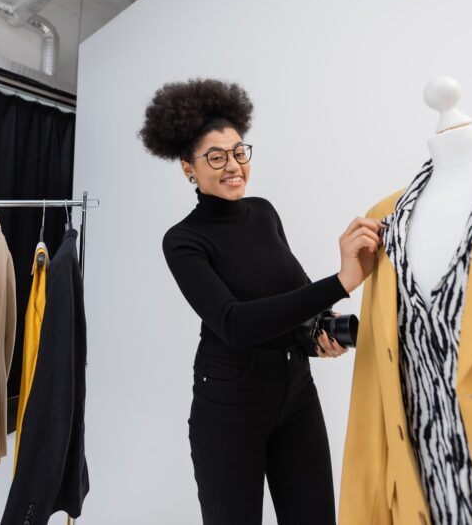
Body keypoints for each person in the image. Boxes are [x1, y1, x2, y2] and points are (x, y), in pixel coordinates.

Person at [139, 78, 382, 525]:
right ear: (187, 167)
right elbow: (235, 324)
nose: (233, 166)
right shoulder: (183, 241)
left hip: (295, 394)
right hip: (229, 407)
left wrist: (319, 332)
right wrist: (341, 281)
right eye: (215, 156)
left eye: (238, 152)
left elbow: (293, 294)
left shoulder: (265, 212)